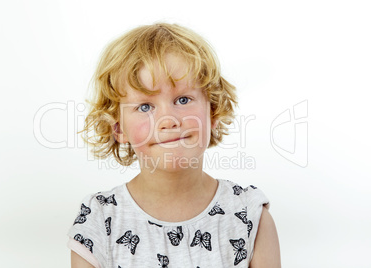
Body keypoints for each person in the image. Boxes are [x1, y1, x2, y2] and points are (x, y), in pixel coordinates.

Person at [67, 23, 280, 268]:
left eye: (183, 99)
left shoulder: (250, 216)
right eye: (145, 107)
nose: (168, 120)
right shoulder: (98, 219)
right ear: (119, 129)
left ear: (212, 111)